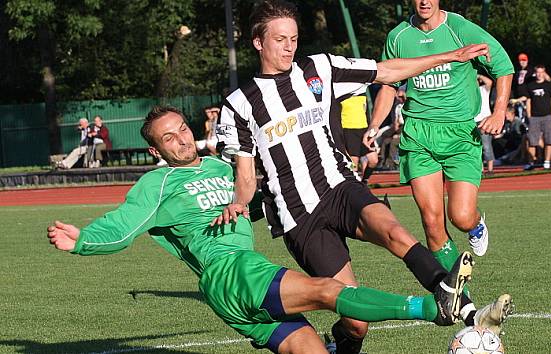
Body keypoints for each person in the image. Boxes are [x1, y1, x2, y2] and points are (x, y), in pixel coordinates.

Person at [46, 106, 480, 354]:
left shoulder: (222, 167)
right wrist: (82, 240)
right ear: (154, 147)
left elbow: (264, 200)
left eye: (182, 129)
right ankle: (434, 309)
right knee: (327, 291)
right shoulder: (156, 184)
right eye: (168, 137)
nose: (179, 139)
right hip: (229, 270)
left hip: (235, 291)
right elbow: (122, 227)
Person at [215, 1, 511, 353]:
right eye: (280, 39)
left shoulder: (319, 68)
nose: (289, 47)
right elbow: (246, 176)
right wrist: (238, 202)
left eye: (294, 38)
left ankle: (455, 302)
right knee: (356, 324)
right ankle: (343, 343)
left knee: (393, 231)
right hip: (299, 216)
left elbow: (386, 72)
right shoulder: (239, 104)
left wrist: (450, 56)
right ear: (258, 42)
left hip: (340, 186)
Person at [364, 1, 514, 329]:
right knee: (432, 224)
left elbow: (502, 65)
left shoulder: (460, 29)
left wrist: (499, 111)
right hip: (418, 135)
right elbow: (388, 84)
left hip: (461, 135)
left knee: (459, 216)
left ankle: (475, 225)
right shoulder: (399, 36)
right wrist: (374, 126)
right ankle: (467, 305)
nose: (425, 1)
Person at [523, 65, 551, 170]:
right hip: (534, 117)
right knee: (532, 141)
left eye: (541, 72)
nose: (539, 74)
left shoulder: (549, 85)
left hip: (547, 116)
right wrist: (529, 115)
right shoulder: (530, 86)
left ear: (544, 72)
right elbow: (528, 101)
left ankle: (547, 162)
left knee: (549, 140)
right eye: (537, 72)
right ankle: (531, 162)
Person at [340, 94, 378, 182]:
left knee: (374, 160)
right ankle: (353, 187)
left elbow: (368, 113)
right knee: (354, 166)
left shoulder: (363, 94)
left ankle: (364, 181)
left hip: (364, 130)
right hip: (349, 132)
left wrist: (371, 130)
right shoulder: (341, 95)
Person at [475, 74, 496, 176]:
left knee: (487, 145)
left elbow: (490, 82)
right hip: (473, 121)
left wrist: (478, 75)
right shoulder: (468, 92)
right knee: (477, 146)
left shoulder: (483, 89)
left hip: (484, 119)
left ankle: (490, 169)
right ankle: (481, 169)